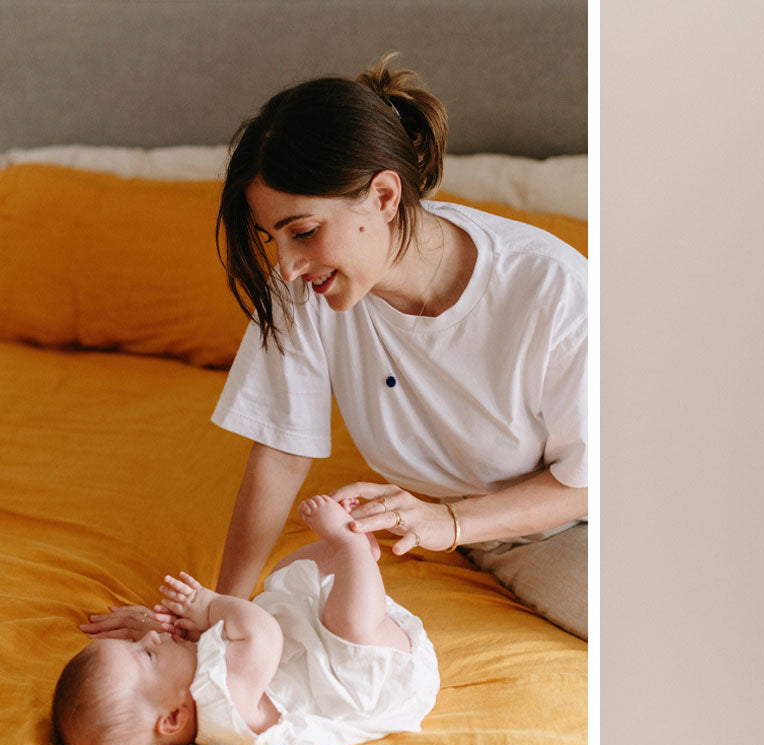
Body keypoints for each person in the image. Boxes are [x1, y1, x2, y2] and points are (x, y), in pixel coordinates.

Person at [89, 53, 588, 639]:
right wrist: (218, 615)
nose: (290, 265)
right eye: (272, 237)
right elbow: (280, 451)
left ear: (382, 196)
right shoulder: (303, 289)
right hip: (473, 526)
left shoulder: (550, 288)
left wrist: (448, 521)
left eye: (303, 231)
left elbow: (594, 476)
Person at [54, 494, 439, 745]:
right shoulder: (223, 704)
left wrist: (194, 631)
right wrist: (209, 606)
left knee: (282, 582)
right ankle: (350, 547)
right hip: (373, 682)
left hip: (315, 660)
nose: (150, 639)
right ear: (172, 719)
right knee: (350, 623)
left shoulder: (194, 692)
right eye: (146, 656)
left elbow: (231, 641)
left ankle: (353, 561)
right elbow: (262, 634)